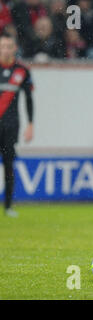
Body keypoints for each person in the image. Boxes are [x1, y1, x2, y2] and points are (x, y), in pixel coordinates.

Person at [0, 33, 34, 217]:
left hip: (11, 125)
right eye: (2, 46)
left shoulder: (22, 70)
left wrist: (30, 124)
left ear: (14, 48)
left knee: (8, 165)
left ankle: (8, 207)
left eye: (8, 46)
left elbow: (29, 99)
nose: (5, 50)